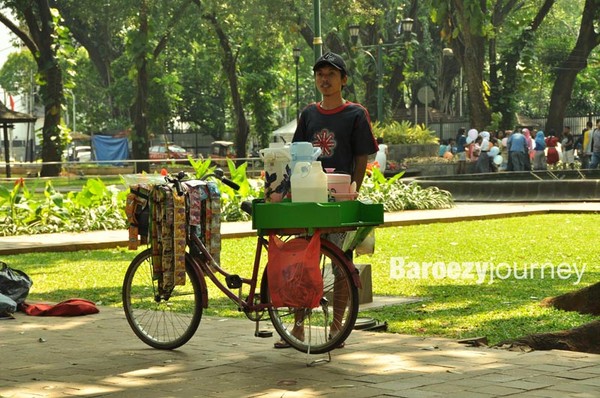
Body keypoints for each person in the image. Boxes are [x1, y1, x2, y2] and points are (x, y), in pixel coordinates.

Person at [276, 52, 378, 349]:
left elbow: (361, 157)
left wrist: (354, 188)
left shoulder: (356, 114)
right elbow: (297, 154)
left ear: (343, 80)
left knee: (342, 265)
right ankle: (296, 329)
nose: (325, 79)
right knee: (300, 261)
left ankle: (337, 329)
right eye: (320, 74)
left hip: (340, 199)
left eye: (331, 74)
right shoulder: (309, 114)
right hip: (308, 198)